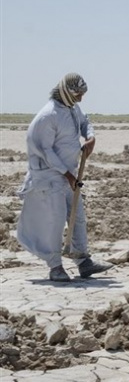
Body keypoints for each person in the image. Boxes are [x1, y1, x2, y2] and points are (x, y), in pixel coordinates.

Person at [16, 73, 113, 282]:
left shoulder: (72, 109)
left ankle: (83, 261)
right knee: (55, 221)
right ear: (67, 92)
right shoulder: (47, 116)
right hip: (49, 177)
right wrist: (66, 174)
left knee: (77, 216)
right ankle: (55, 266)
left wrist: (90, 137)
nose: (81, 98)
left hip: (69, 174)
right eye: (78, 94)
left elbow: (85, 122)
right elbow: (45, 151)